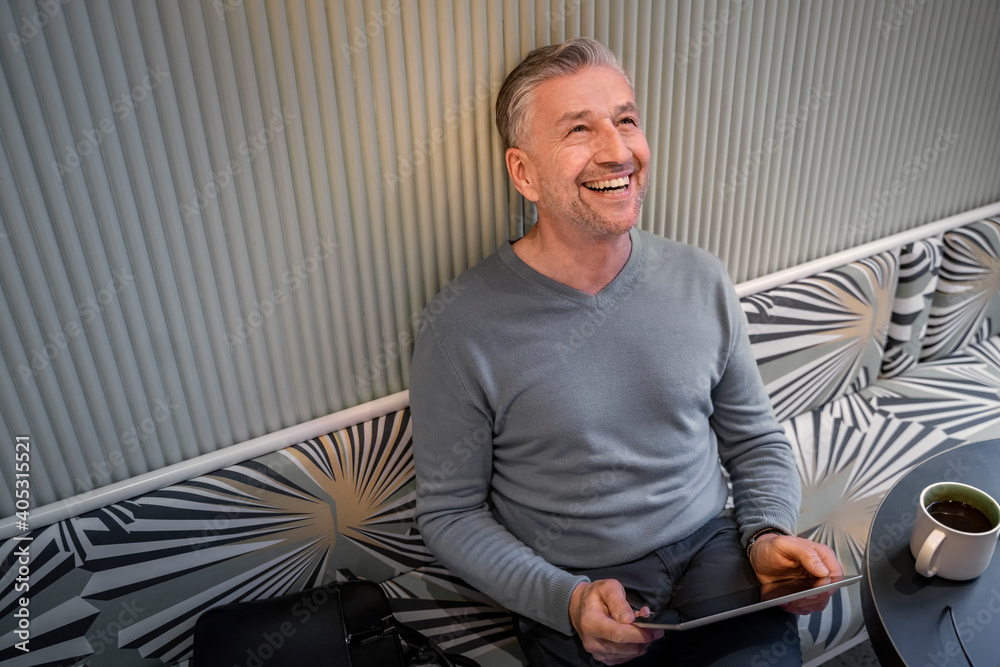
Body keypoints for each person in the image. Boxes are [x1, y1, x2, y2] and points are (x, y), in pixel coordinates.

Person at [410, 37, 843, 666]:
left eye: (626, 120)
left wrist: (768, 534)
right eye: (579, 130)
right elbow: (449, 514)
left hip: (713, 548)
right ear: (524, 173)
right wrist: (566, 599)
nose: (619, 152)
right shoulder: (460, 326)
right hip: (574, 577)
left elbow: (756, 441)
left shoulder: (702, 278)